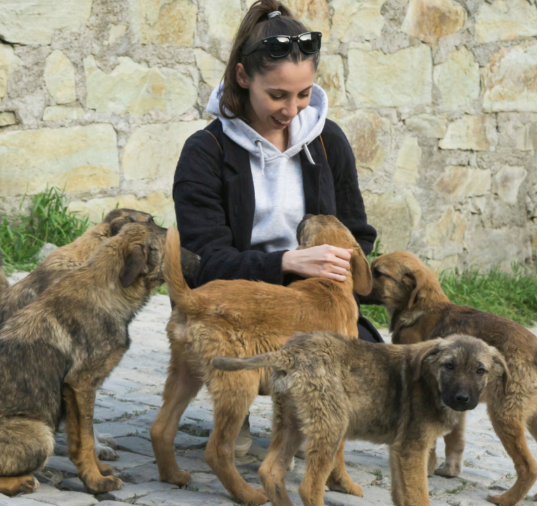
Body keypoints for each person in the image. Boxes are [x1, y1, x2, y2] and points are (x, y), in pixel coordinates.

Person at [172, 0, 383, 458]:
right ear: (244, 77)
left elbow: (358, 232)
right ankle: (238, 402)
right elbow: (203, 260)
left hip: (314, 302)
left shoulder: (329, 141)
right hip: (241, 303)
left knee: (368, 354)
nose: (291, 109)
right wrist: (286, 261)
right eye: (277, 95)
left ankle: (303, 416)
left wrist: (335, 267)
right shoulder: (204, 152)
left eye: (303, 94)